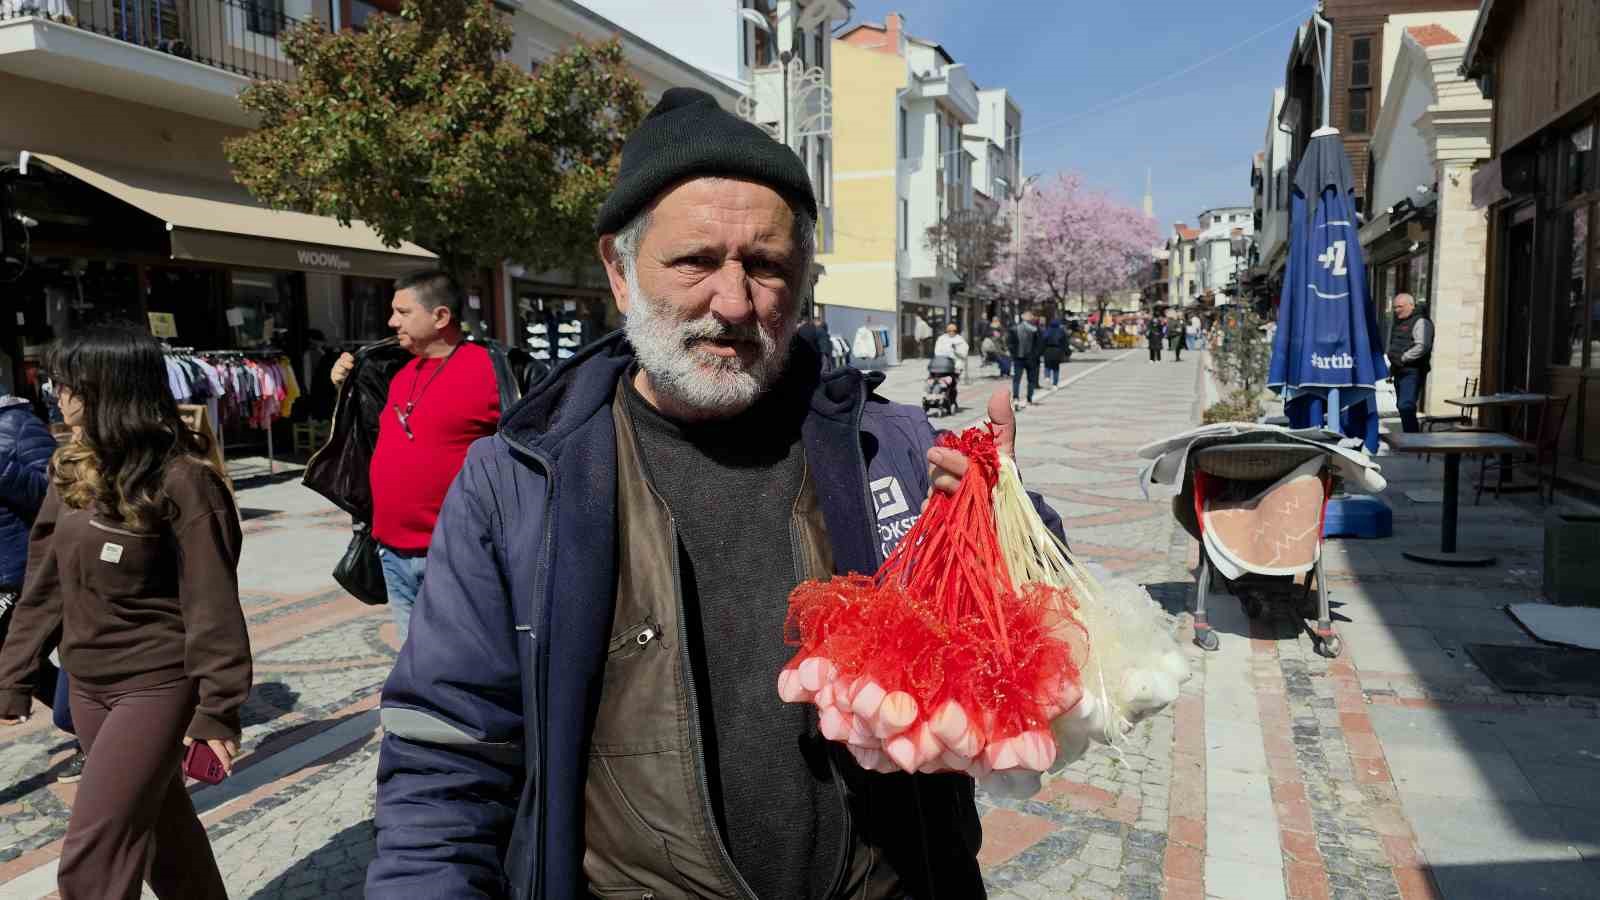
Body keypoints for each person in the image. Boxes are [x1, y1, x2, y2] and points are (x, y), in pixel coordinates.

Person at [365, 86, 1063, 900]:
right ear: (619, 272)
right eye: (695, 262)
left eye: (766, 267)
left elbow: (1045, 640)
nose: (732, 304)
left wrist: (1000, 517)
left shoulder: (894, 447)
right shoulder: (520, 480)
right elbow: (447, 753)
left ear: (802, 280)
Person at [0, 327, 250, 900]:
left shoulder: (186, 482)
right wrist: (14, 671)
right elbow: (45, 582)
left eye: (69, 388)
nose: (57, 400)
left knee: (94, 857)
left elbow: (212, 607)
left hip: (156, 687)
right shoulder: (74, 472)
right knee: (164, 834)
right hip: (88, 685)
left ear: (110, 393)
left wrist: (218, 709)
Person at [329, 271, 503, 642]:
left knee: (461, 665)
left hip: (455, 555)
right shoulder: (393, 371)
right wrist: (346, 385)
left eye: (403, 312)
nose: (392, 322)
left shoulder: (490, 370)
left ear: (440, 317)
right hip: (391, 552)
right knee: (414, 665)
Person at [0, 390, 85, 782]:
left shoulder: (17, 424)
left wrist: (1, 468)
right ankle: (86, 725)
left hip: (19, 569)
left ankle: (88, 727)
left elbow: (51, 490)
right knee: (16, 656)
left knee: (24, 651)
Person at [1387, 292, 1433, 433]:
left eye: (1400, 307)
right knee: (1402, 406)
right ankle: (1410, 437)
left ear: (1411, 306)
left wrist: (1403, 358)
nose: (1396, 310)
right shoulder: (1400, 321)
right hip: (1399, 370)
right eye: (1395, 307)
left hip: (1412, 370)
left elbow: (1422, 346)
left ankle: (1413, 439)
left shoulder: (1421, 322)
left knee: (1405, 405)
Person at [1008, 310, 1043, 407]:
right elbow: (1040, 344)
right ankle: (1029, 398)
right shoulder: (1036, 330)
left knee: (1016, 379)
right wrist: (1036, 355)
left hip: (1018, 358)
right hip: (1031, 359)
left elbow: (1010, 344)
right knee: (1031, 380)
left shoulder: (1014, 329)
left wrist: (1013, 354)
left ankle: (1016, 398)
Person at [1040, 318, 1069, 387]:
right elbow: (1065, 343)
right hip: (1057, 350)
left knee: (1047, 366)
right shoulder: (1061, 331)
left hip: (1048, 350)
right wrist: (1066, 352)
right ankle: (1055, 384)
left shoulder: (1047, 331)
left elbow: (1043, 342)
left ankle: (1047, 377)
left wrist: (1041, 352)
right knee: (1056, 368)